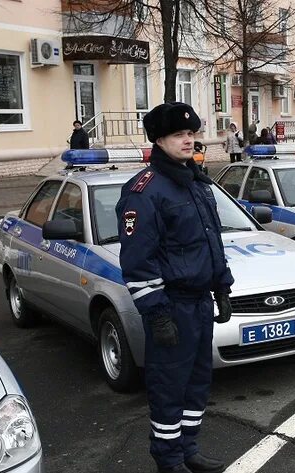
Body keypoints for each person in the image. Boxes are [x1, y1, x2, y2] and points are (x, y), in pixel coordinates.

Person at [116, 102, 234, 473]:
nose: (189, 140)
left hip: (199, 303)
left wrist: (222, 288)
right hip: (172, 306)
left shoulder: (196, 183)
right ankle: (168, 460)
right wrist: (157, 313)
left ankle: (188, 450)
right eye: (179, 135)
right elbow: (137, 261)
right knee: (169, 385)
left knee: (197, 381)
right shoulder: (145, 191)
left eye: (192, 134)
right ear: (159, 140)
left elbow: (210, 242)